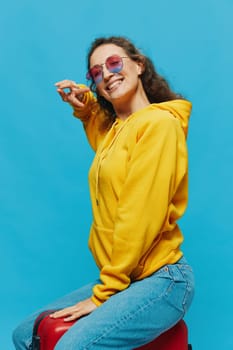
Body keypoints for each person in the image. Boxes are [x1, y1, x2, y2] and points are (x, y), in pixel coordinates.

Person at [13, 36, 195, 349]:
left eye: (114, 63)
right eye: (96, 72)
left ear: (139, 65)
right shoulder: (119, 131)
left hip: (163, 281)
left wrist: (106, 292)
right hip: (128, 280)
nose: (106, 74)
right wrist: (88, 111)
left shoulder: (159, 125)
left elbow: (139, 214)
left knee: (73, 346)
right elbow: (111, 156)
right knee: (26, 334)